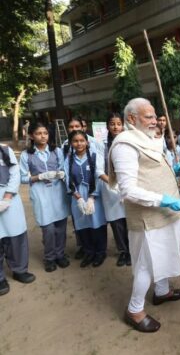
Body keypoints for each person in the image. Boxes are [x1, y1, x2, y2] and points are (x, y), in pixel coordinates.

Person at [109, 97, 180, 333]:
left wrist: (172, 167)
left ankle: (162, 291)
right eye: (148, 116)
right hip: (148, 217)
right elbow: (129, 189)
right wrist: (166, 199)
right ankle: (134, 310)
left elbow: (155, 163)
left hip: (165, 214)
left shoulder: (148, 138)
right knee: (146, 264)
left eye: (154, 115)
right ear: (131, 119)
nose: (154, 120)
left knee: (164, 253)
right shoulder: (125, 145)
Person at [20, 122, 71, 272]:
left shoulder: (57, 151)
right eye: (38, 133)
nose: (43, 136)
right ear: (31, 136)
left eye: (45, 133)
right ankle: (49, 257)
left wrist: (62, 174)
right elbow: (22, 178)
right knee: (48, 229)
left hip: (58, 193)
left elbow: (63, 169)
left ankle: (60, 254)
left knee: (61, 227)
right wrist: (39, 176)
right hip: (40, 194)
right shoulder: (26, 155)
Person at [64, 130, 108, 268]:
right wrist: (78, 198)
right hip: (77, 196)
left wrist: (91, 198)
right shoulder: (69, 158)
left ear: (87, 142)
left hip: (94, 195)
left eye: (82, 140)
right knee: (82, 225)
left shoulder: (95, 156)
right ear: (71, 143)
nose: (79, 144)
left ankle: (100, 252)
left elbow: (98, 177)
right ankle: (89, 252)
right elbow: (67, 179)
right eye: (75, 141)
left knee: (97, 224)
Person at [0, 143, 36, 296]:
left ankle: (19, 270)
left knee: (16, 235)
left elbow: (15, 174)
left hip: (9, 197)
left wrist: (7, 197)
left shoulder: (5, 150)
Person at [100, 113, 131, 267]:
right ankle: (123, 251)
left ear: (123, 125)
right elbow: (99, 170)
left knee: (129, 220)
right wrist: (113, 184)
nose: (116, 127)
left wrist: (126, 185)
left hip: (128, 187)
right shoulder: (103, 145)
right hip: (110, 188)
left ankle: (132, 250)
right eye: (112, 124)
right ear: (107, 126)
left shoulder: (129, 143)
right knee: (117, 222)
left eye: (119, 123)